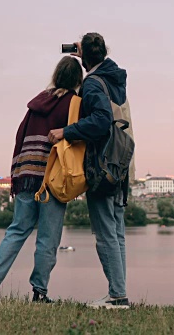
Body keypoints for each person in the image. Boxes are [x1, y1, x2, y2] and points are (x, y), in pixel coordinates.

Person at [0, 56, 83, 303]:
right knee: (48, 238)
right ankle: (39, 293)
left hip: (25, 175)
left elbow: (19, 136)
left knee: (17, 229)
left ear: (56, 75)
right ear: (78, 79)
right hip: (52, 179)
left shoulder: (37, 102)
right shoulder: (73, 104)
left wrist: (17, 173)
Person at [48, 32, 133, 309]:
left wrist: (66, 131)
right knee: (117, 231)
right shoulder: (113, 80)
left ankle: (117, 297)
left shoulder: (94, 84)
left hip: (101, 166)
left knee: (105, 232)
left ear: (83, 55)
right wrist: (86, 54)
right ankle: (119, 292)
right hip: (121, 165)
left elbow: (100, 121)